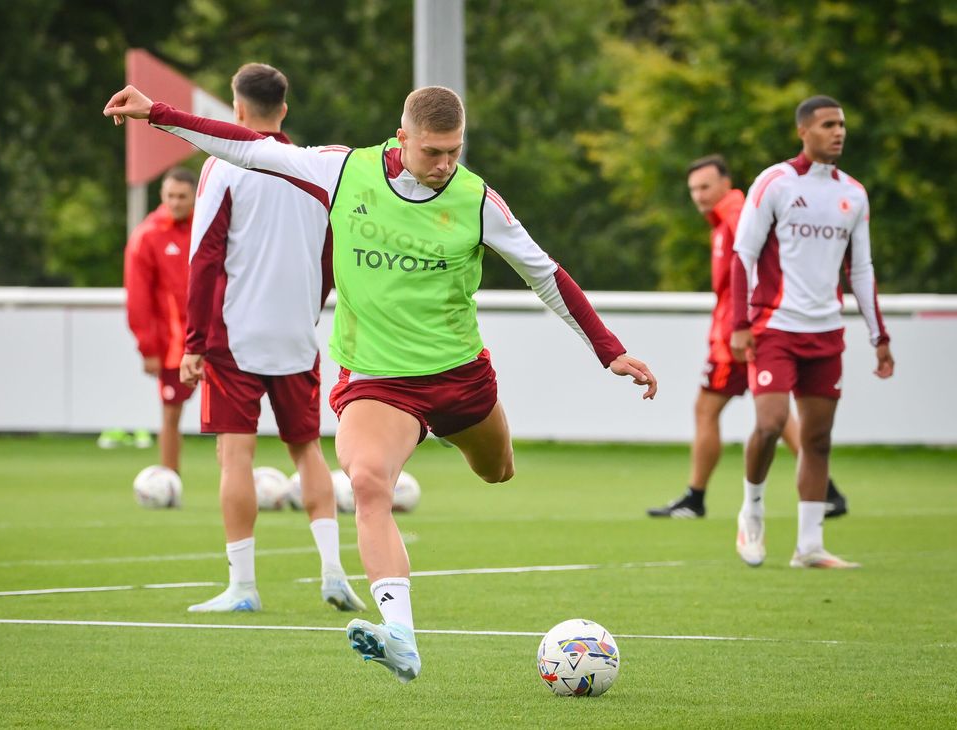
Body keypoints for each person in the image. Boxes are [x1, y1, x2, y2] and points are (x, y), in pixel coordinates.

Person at [104, 83, 657, 683]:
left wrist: (612, 353)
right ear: (402, 139)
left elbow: (546, 274)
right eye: (433, 152)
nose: (446, 164)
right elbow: (246, 147)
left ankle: (459, 446)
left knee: (497, 470)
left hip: (459, 375)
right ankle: (401, 638)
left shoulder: (476, 201)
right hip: (378, 381)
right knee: (367, 482)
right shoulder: (344, 172)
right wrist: (158, 114)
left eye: (455, 151)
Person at [177, 63, 364, 614]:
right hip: (296, 334)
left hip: (237, 335)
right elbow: (333, 255)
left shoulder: (222, 166)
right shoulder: (315, 169)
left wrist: (193, 341)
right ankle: (333, 572)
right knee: (306, 449)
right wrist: (310, 307)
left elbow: (204, 255)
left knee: (235, 455)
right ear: (284, 110)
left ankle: (242, 587)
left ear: (236, 108)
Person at [729, 95, 894, 569]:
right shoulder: (774, 182)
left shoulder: (854, 194)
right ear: (804, 131)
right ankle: (752, 510)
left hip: (827, 333)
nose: (838, 132)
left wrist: (879, 338)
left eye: (842, 124)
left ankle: (809, 546)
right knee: (770, 423)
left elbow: (861, 270)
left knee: (818, 440)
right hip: (775, 326)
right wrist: (740, 324)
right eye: (828, 124)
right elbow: (743, 255)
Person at [647, 156, 847, 519]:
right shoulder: (725, 219)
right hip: (744, 331)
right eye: (693, 189)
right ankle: (827, 489)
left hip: (737, 336)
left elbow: (757, 265)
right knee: (774, 414)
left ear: (727, 183)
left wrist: (746, 325)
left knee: (707, 409)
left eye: (705, 187)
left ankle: (696, 498)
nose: (698, 196)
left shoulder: (737, 215)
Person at [123, 166, 198, 474]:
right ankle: (170, 482)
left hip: (218, 340)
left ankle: (234, 481)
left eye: (182, 196)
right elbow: (138, 298)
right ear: (161, 196)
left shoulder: (211, 226)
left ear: (195, 197)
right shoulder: (147, 236)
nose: (176, 202)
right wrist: (148, 347)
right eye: (170, 196)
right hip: (173, 344)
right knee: (171, 413)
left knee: (230, 416)